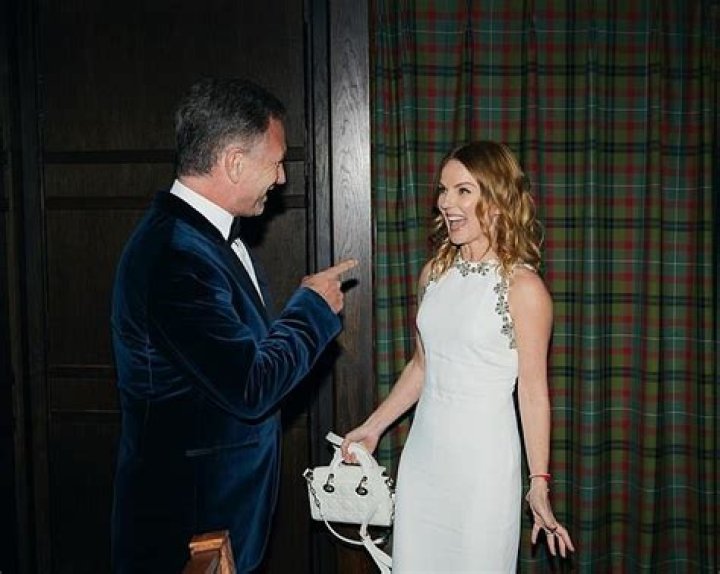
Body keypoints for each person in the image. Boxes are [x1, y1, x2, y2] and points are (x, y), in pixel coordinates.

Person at [110, 77, 357, 573]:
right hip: (185, 532)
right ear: (235, 163)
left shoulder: (202, 239)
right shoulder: (175, 256)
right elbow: (250, 386)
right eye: (277, 162)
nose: (281, 178)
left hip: (218, 523)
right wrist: (312, 309)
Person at [342, 141, 575, 572]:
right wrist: (373, 428)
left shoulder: (525, 289)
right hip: (423, 462)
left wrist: (539, 481)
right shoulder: (433, 274)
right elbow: (422, 366)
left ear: (498, 199)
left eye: (463, 191)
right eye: (444, 190)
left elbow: (533, 392)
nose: (446, 203)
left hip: (483, 471)